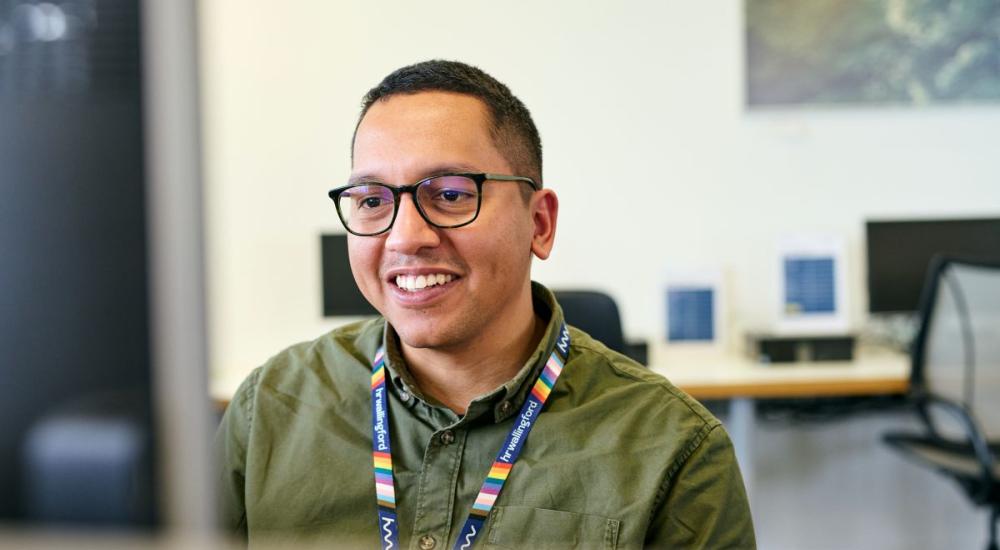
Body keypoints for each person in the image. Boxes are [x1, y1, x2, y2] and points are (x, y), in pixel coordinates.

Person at [216, 59, 755, 549]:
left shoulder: (674, 451)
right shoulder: (270, 409)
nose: (405, 237)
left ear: (539, 224)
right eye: (374, 200)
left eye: (450, 194)